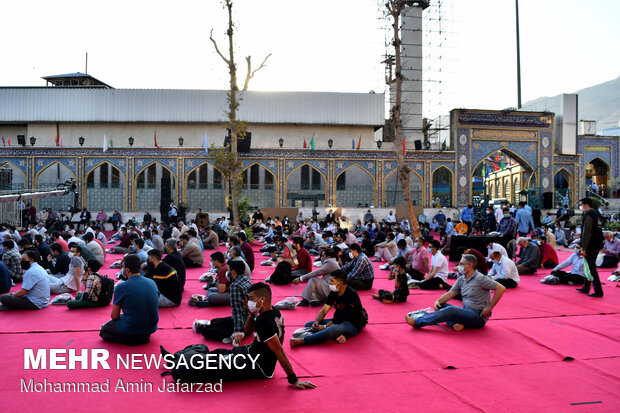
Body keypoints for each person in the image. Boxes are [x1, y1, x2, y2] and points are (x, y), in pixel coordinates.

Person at [163, 282, 315, 389]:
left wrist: (293, 380)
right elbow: (247, 331)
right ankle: (178, 357)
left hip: (256, 365)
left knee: (202, 369)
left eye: (251, 299)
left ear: (262, 300)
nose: (248, 301)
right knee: (217, 353)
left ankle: (178, 364)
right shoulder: (271, 310)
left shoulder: (266, 322)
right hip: (250, 352)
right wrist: (250, 314)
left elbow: (279, 351)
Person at [406, 254, 506, 331]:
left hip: (478, 316)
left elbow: (501, 288)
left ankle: (418, 322)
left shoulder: (480, 278)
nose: (459, 266)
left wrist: (490, 307)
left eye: (461, 264)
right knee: (440, 306)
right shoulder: (462, 279)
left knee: (451, 310)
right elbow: (451, 293)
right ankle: (455, 324)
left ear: (470, 266)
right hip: (466, 312)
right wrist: (438, 301)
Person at [290, 269, 365, 347]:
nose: (329, 283)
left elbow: (341, 317)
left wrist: (324, 327)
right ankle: (337, 334)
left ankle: (303, 341)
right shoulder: (334, 292)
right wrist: (317, 322)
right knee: (309, 325)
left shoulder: (351, 295)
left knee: (332, 329)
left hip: (352, 324)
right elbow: (324, 310)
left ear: (340, 283)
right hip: (337, 321)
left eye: (332, 281)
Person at [99, 254, 159, 345]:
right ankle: (141, 335)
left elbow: (115, 316)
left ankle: (134, 339)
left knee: (103, 331)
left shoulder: (121, 287)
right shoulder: (152, 282)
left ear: (127, 270)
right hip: (151, 327)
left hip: (132, 326)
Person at [193, 260, 252, 344]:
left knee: (206, 331)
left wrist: (237, 332)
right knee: (214, 321)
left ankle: (232, 335)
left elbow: (237, 310)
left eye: (228, 270)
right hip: (249, 320)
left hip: (242, 323)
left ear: (233, 272)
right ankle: (229, 334)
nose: (227, 272)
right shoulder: (246, 279)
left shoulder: (235, 286)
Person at [576, 197, 604, 297]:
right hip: (597, 243)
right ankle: (586, 287)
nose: (581, 206)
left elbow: (587, 232)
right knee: (588, 265)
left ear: (586, 205)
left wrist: (584, 248)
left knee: (591, 267)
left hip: (591, 245)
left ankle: (598, 291)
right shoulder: (597, 214)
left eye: (581, 204)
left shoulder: (589, 215)